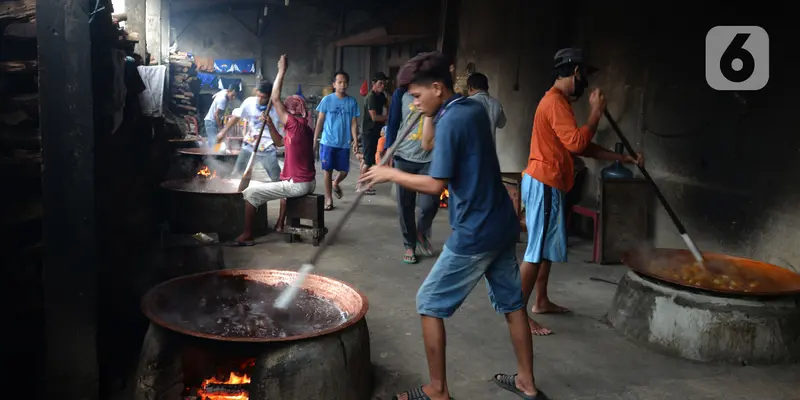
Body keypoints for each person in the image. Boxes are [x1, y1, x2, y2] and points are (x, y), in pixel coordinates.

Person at [360, 51, 545, 400]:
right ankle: (526, 382)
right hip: (502, 223)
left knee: (428, 302)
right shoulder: (470, 108)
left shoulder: (452, 121)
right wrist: (427, 111)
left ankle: (437, 391)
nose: (413, 102)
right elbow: (429, 143)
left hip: (476, 230)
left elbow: (434, 184)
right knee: (512, 304)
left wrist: (389, 172)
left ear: (436, 87)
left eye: (417, 96)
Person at [521, 48, 643, 336]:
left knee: (545, 250)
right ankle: (519, 314)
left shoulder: (559, 102)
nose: (585, 82)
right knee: (535, 252)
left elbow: (579, 145)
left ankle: (540, 301)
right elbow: (577, 143)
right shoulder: (554, 102)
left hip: (550, 182)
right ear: (575, 72)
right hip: (544, 182)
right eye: (585, 75)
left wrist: (622, 159)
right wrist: (596, 114)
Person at [229, 55, 316, 246]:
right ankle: (278, 224)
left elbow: (275, 97)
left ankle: (247, 235)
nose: (281, 110)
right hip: (308, 182)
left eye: (285, 109)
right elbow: (279, 143)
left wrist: (281, 71)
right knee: (276, 183)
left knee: (251, 194)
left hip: (298, 184)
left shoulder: (293, 124)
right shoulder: (304, 127)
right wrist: (269, 125)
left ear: (291, 111)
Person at [383, 83, 438, 264]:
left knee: (430, 203)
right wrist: (388, 149)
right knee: (405, 204)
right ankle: (409, 244)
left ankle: (422, 231)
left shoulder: (435, 92)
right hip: (404, 154)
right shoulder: (401, 94)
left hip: (429, 157)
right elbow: (393, 122)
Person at [218, 81, 284, 182]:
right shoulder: (249, 102)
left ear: (271, 96)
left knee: (277, 178)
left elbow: (284, 128)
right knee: (237, 174)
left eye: (264, 97)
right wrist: (223, 132)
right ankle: (233, 195)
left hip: (267, 147)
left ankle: (284, 196)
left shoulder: (276, 108)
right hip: (249, 144)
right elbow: (236, 117)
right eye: (259, 96)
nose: (261, 99)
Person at [314, 70, 360, 210]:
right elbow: (320, 120)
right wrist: (315, 138)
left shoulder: (352, 102)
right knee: (327, 170)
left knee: (344, 171)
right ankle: (329, 199)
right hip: (328, 142)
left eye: (345, 82)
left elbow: (353, 123)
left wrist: (355, 140)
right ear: (334, 84)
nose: (342, 85)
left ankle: (336, 183)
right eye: (339, 82)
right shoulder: (327, 100)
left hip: (343, 143)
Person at [358, 72, 388, 195]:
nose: (382, 86)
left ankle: (363, 183)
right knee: (368, 161)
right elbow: (374, 117)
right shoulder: (370, 97)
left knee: (366, 159)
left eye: (384, 84)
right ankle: (361, 185)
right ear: (373, 84)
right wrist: (389, 117)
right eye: (380, 83)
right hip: (369, 132)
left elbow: (389, 104)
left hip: (376, 131)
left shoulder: (381, 96)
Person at [466, 72, 506, 145]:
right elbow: (502, 124)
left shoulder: (467, 103)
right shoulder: (496, 104)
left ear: (470, 88)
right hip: (489, 153)